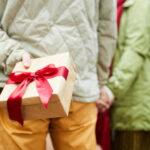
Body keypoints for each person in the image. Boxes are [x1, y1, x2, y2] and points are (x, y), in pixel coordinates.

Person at [0, 0, 116, 149]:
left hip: (21, 84)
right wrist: (99, 81)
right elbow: (107, 28)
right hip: (77, 81)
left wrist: (11, 55)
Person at [103, 0, 150, 149]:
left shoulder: (140, 4)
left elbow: (135, 50)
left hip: (135, 108)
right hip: (124, 107)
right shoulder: (118, 5)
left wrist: (111, 89)